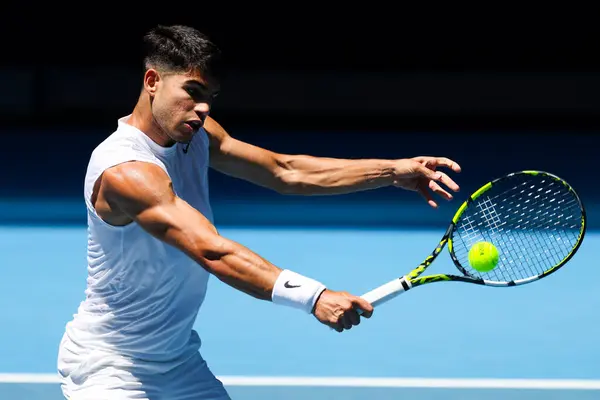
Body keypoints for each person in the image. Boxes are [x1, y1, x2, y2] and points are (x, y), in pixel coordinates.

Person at [56, 24, 461, 399]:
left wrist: (392, 171)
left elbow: (284, 171)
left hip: (177, 361)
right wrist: (314, 296)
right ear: (152, 82)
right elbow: (211, 250)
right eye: (192, 92)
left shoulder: (196, 135)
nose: (202, 109)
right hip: (110, 366)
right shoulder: (126, 170)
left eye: (210, 98)